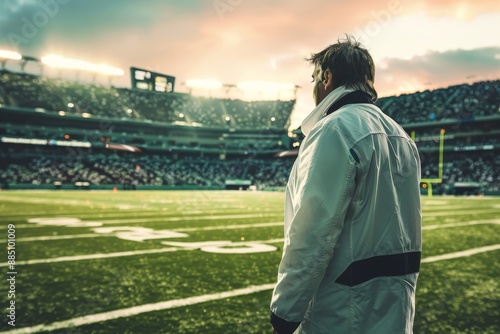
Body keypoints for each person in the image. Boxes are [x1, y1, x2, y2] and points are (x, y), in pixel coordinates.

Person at [270, 35, 422, 334]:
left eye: (315, 77)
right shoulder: (401, 135)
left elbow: (313, 232)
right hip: (397, 299)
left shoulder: (335, 128)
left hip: (342, 306)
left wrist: (285, 313)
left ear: (327, 77)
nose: (314, 85)